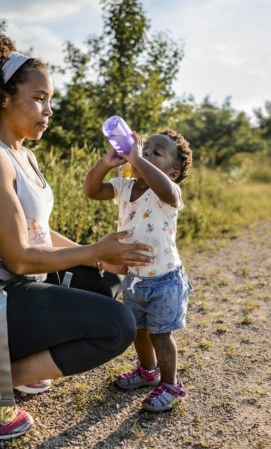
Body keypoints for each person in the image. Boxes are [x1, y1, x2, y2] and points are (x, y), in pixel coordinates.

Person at [0, 35, 154, 440]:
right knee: (117, 326)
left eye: (50, 99)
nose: (49, 110)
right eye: (39, 98)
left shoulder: (22, 153)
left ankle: (24, 365)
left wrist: (99, 259)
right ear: (4, 97)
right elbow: (19, 257)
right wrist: (95, 249)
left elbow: (36, 233)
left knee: (104, 282)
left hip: (11, 292)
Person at [83, 128, 193, 412]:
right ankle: (148, 371)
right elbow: (92, 190)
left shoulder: (168, 192)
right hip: (134, 280)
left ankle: (170, 384)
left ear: (174, 172)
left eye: (155, 153)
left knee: (160, 334)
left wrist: (138, 159)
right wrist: (106, 165)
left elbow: (165, 190)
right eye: (144, 150)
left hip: (165, 280)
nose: (143, 154)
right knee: (138, 332)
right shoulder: (124, 186)